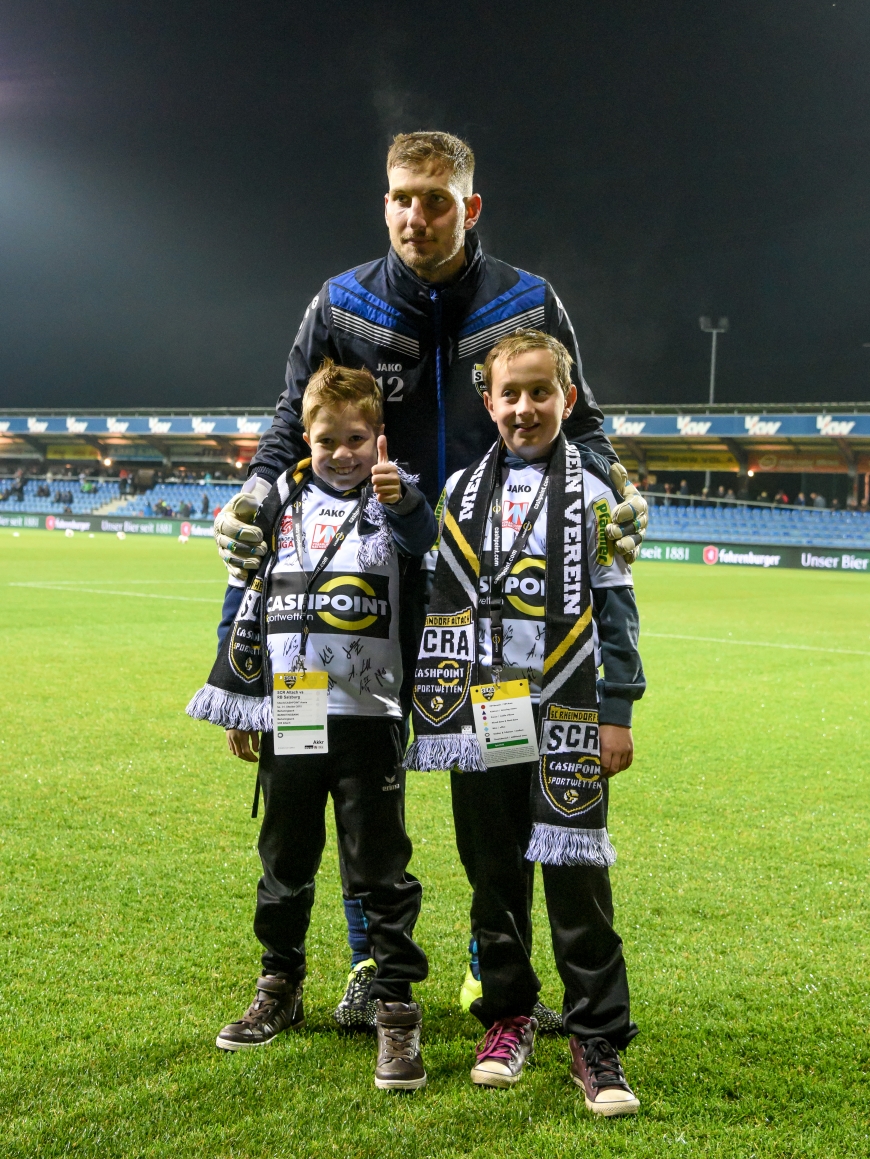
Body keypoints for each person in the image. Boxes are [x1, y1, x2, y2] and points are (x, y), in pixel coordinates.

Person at [211, 130, 649, 1028]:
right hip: (356, 587)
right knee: (348, 784)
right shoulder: (340, 302)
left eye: (436, 200)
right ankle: (365, 967)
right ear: (385, 203)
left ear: (469, 207)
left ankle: (498, 973)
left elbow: (584, 422)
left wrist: (621, 487)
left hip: (485, 597)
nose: (417, 216)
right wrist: (254, 494)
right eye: (402, 198)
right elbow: (291, 423)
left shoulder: (527, 301)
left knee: (493, 777)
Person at [406, 330, 644, 1111]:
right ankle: (508, 1016)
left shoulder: (598, 491)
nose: (525, 407)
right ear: (489, 402)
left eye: (541, 391)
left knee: (579, 876)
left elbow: (618, 611)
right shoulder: (462, 491)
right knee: (495, 874)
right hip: (486, 711)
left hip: (567, 706)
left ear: (567, 400)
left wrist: (617, 711)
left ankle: (595, 1035)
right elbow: (440, 594)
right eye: (510, 393)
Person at [187, 361, 435, 1089]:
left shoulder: (395, 498)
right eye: (329, 439)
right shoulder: (280, 503)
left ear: (378, 435)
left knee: (381, 871)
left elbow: (426, 540)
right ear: (306, 437)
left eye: (357, 438)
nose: (343, 452)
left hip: (370, 717)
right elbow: (244, 596)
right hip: (291, 713)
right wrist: (239, 696)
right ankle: (280, 986)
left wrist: (404, 497)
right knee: (284, 859)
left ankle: (395, 1008)